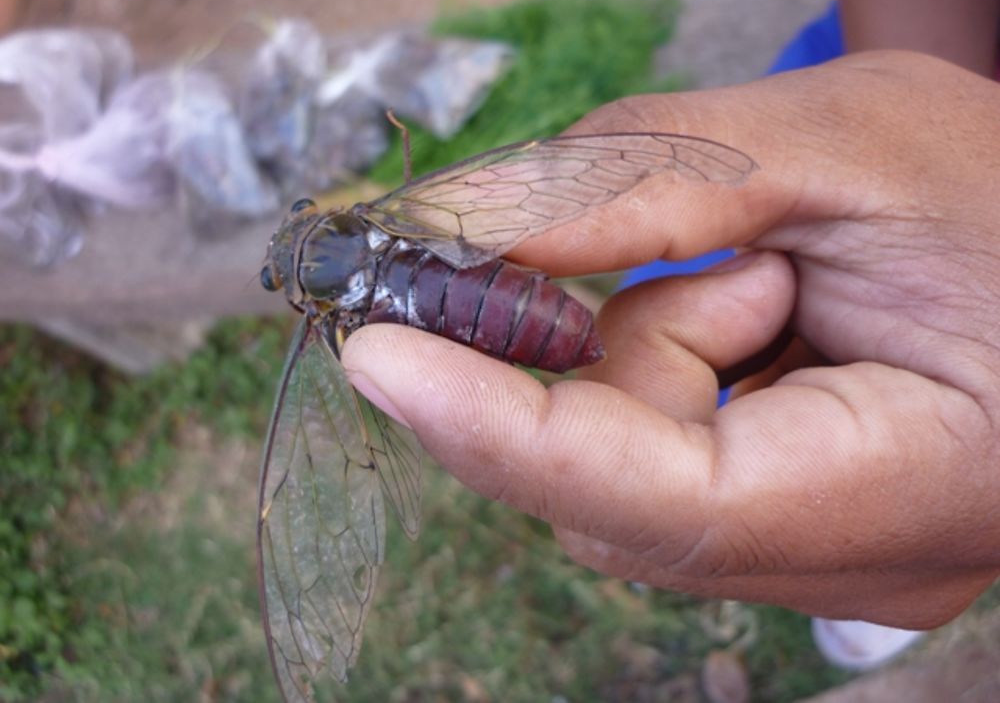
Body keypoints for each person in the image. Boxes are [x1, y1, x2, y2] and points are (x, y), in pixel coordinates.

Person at [341, 49, 1000, 641]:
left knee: (680, 289)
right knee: (673, 329)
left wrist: (918, 117)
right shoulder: (380, 231)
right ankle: (868, 526)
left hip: (890, 145)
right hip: (495, 301)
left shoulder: (338, 317)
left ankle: (877, 527)